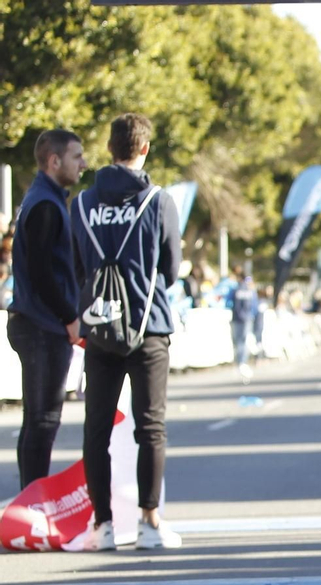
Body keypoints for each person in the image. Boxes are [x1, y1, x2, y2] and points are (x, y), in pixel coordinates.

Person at [68, 113, 184, 551]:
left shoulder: (81, 204)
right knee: (150, 426)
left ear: (109, 149)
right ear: (145, 149)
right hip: (148, 326)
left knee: (96, 427)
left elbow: (79, 267)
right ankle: (151, 521)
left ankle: (101, 525)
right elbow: (170, 270)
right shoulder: (159, 200)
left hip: (98, 327)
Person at [7, 128, 87, 491]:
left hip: (41, 323)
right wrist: (69, 316)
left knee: (41, 421)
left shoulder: (46, 198)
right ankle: (32, 501)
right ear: (54, 161)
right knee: (41, 420)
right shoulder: (44, 204)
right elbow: (41, 270)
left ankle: (32, 498)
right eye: (76, 157)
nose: (83, 163)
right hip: (41, 325)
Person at [225, 266, 259, 380]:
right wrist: (252, 316)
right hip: (247, 318)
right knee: (243, 341)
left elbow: (228, 302)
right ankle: (242, 362)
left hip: (237, 318)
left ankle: (239, 362)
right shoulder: (250, 290)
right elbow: (255, 306)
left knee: (237, 341)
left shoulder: (235, 289)